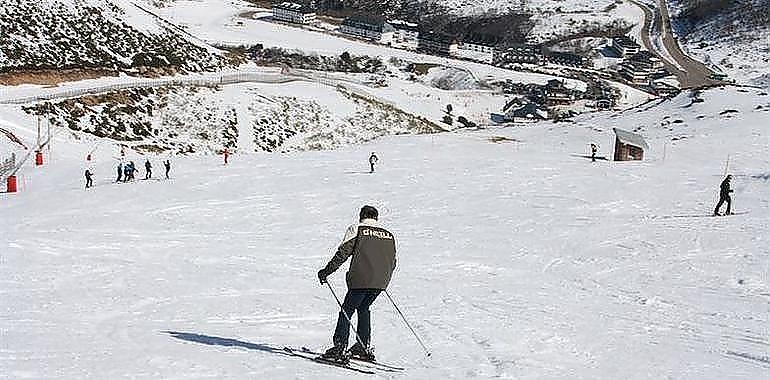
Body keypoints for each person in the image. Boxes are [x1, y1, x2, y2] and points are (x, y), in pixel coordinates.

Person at [317, 205, 397, 364]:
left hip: (361, 279)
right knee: (363, 308)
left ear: (361, 216)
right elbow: (393, 261)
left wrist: (326, 271)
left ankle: (340, 347)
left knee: (346, 310)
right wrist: (382, 277)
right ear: (376, 217)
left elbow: (343, 253)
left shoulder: (357, 229)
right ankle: (362, 346)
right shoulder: (389, 235)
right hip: (381, 282)